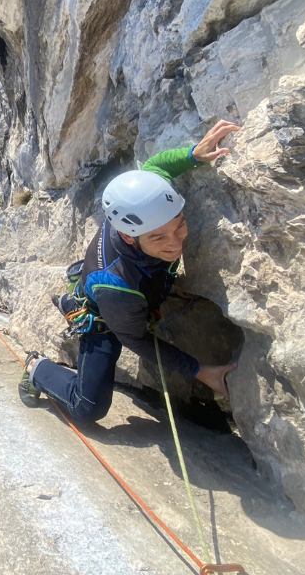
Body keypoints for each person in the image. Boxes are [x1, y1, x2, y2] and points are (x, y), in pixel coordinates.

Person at [19, 120, 241, 419]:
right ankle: (37, 368)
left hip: (128, 295)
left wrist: (192, 155)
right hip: (106, 317)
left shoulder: (136, 204)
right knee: (87, 407)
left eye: (179, 226)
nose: (175, 244)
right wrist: (199, 370)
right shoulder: (117, 286)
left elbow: (154, 169)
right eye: (158, 238)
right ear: (128, 236)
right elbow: (134, 339)